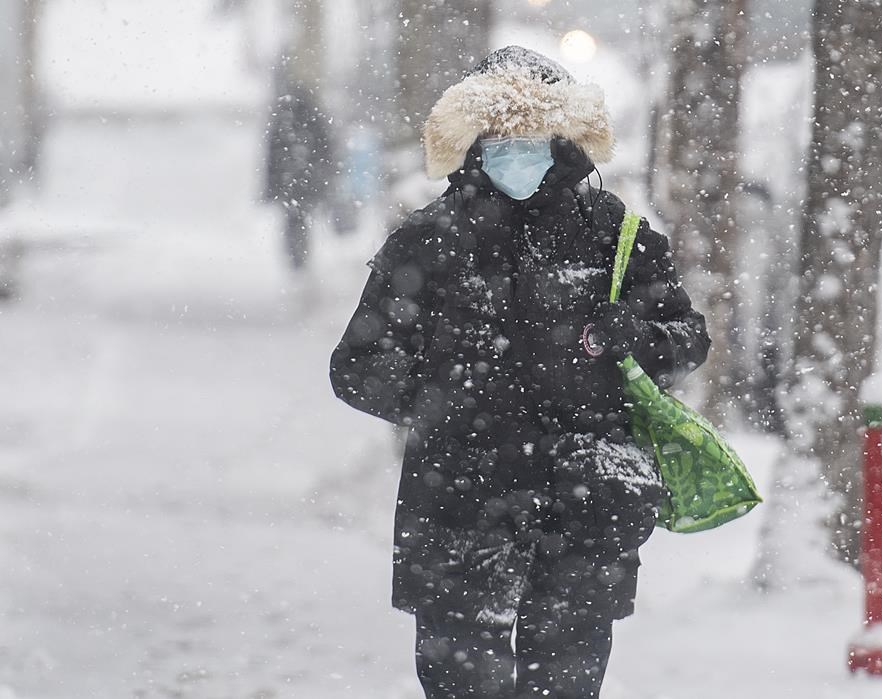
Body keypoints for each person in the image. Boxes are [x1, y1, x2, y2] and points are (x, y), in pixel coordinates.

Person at [330, 46, 710, 698]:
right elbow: (357, 364)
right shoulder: (430, 239)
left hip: (584, 499)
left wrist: (638, 336)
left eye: (532, 142)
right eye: (499, 142)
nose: (516, 157)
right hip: (460, 500)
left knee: (565, 680)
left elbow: (688, 339)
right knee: (462, 680)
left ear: (565, 141)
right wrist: (440, 401)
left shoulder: (614, 233)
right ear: (471, 143)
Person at [263, 56, 335, 271]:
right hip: (304, 179)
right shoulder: (310, 115)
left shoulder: (283, 117)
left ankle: (296, 255)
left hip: (292, 180)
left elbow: (272, 154)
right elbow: (325, 147)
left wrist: (271, 185)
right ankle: (299, 255)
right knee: (299, 218)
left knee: (294, 218)